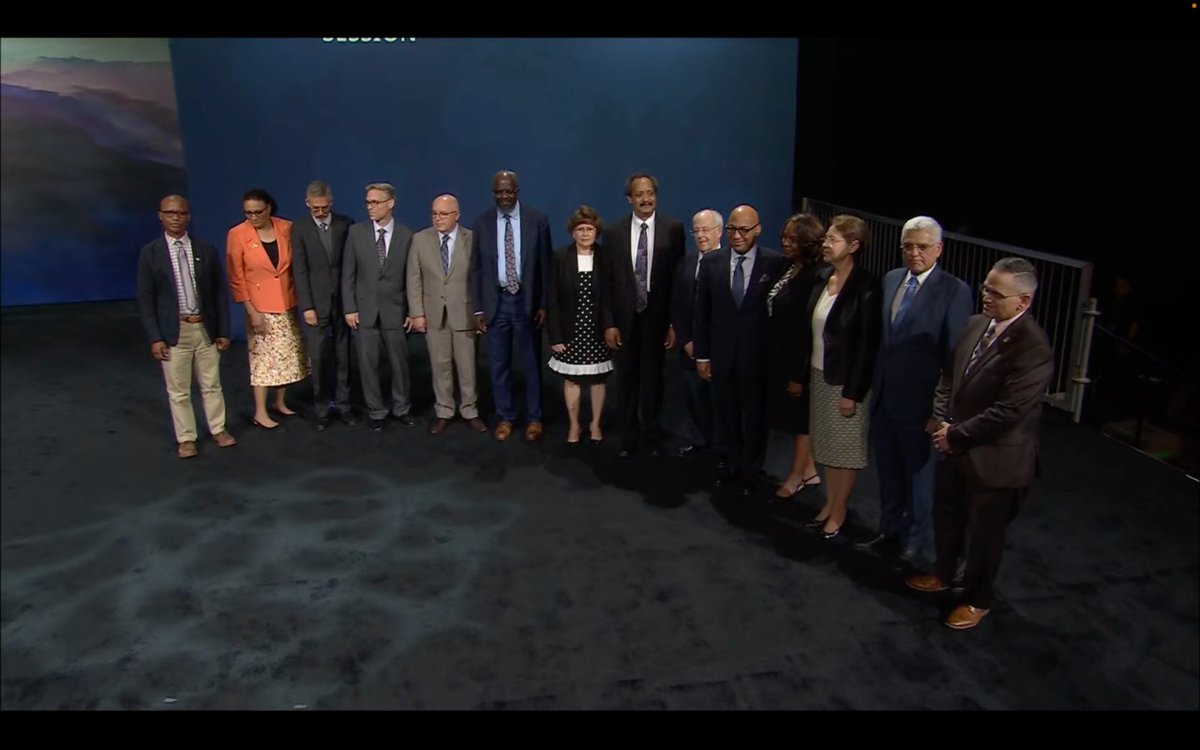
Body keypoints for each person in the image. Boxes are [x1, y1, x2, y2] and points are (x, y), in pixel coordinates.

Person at [907, 257, 1055, 630]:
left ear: (1022, 302)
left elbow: (1010, 410)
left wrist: (955, 434)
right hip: (954, 446)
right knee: (949, 518)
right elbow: (949, 377)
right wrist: (942, 422)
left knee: (985, 536)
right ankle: (944, 573)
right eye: (986, 287)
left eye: (995, 292)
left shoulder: (1032, 346)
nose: (985, 296)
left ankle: (977, 599)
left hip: (997, 461)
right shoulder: (975, 324)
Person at [856, 216, 972, 564]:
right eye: (908, 246)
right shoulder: (891, 280)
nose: (914, 253)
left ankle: (915, 542)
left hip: (922, 409)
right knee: (889, 474)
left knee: (920, 481)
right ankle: (888, 531)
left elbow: (955, 359)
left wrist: (940, 414)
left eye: (922, 246)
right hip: (885, 400)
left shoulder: (955, 291)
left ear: (938, 249)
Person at [136, 194, 237, 458]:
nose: (175, 218)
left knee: (212, 384)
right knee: (178, 390)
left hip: (204, 329)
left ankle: (218, 429)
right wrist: (154, 338)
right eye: (170, 213)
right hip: (173, 332)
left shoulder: (205, 250)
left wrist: (224, 331)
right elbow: (146, 300)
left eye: (180, 213)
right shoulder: (150, 254)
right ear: (160, 215)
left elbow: (218, 294)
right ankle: (186, 438)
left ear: (188, 217)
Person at [800, 215, 882, 538]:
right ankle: (829, 503)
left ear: (854, 246)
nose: (826, 244)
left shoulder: (867, 287)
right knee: (826, 448)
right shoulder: (823, 276)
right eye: (826, 238)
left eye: (833, 239)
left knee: (845, 452)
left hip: (846, 383)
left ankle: (840, 510)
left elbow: (866, 345)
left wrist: (853, 392)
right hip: (820, 374)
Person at [694, 205, 784, 495]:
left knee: (755, 419)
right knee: (725, 416)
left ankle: (751, 471)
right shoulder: (712, 263)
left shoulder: (774, 263)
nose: (736, 235)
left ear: (758, 229)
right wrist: (703, 355)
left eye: (743, 229)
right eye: (732, 229)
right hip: (721, 357)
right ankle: (730, 465)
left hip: (756, 359)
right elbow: (702, 313)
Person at [599, 173, 686, 458]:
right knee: (626, 380)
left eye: (650, 193)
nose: (646, 199)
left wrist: (674, 321)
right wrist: (610, 322)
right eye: (640, 194)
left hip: (657, 318)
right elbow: (607, 282)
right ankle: (629, 437)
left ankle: (650, 435)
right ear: (629, 199)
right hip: (625, 319)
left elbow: (678, 279)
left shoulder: (673, 229)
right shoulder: (613, 233)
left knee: (654, 380)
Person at [469, 170, 553, 442]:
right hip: (497, 302)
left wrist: (543, 304)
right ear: (493, 193)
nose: (503, 196)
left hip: (526, 302)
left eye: (508, 191)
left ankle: (534, 418)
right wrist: (479, 309)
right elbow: (477, 269)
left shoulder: (537, 219)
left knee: (530, 364)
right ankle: (505, 417)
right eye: (498, 192)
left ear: (517, 191)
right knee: (498, 365)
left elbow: (545, 266)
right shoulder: (482, 222)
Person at [226, 187, 309, 429]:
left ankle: (280, 403)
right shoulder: (237, 234)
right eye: (248, 213)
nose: (253, 217)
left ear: (269, 208)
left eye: (258, 212)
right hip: (259, 307)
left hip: (287, 302)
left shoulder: (286, 228)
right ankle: (260, 411)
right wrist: (251, 311)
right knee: (263, 360)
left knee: (287, 356)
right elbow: (236, 277)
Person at [406, 193, 487, 435]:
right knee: (440, 366)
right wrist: (417, 313)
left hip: (464, 313)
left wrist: (479, 313)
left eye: (443, 214)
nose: (438, 218)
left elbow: (479, 279)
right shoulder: (420, 240)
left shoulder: (472, 239)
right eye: (434, 214)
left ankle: (470, 410)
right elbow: (414, 279)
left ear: (457, 215)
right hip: (433, 315)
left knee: (467, 367)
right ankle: (444, 410)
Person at [342, 182, 416, 431]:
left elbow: (412, 277)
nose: (370, 207)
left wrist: (411, 310)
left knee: (399, 364)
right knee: (368, 364)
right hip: (365, 311)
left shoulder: (407, 235)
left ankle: (402, 407)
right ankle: (376, 412)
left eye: (375, 202)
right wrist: (350, 308)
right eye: (368, 202)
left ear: (390, 203)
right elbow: (348, 274)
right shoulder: (356, 233)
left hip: (396, 311)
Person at [766, 213, 825, 499]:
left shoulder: (816, 276)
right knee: (790, 418)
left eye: (793, 239)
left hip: (798, 361)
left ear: (808, 242)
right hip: (779, 353)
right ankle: (810, 469)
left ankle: (796, 476)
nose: (785, 243)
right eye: (784, 237)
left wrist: (797, 375)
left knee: (800, 421)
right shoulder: (789, 267)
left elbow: (807, 329)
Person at [290, 180, 356, 430]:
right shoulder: (300, 228)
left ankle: (345, 406)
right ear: (308, 204)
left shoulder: (344, 223)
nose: (320, 212)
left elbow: (350, 265)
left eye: (324, 207)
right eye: (315, 208)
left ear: (331, 202)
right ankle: (321, 409)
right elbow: (300, 268)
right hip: (315, 305)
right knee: (317, 358)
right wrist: (306, 306)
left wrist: (351, 302)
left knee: (344, 357)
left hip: (342, 302)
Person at [547, 206, 614, 445]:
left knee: (598, 379)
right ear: (572, 232)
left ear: (597, 231)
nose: (585, 233)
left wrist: (611, 327)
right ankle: (574, 425)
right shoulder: (559, 258)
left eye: (590, 229)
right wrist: (555, 336)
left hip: (597, 331)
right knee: (572, 380)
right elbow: (552, 300)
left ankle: (595, 424)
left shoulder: (606, 257)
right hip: (570, 332)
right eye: (580, 229)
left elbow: (611, 296)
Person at [672, 209, 722, 457]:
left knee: (719, 403)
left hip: (719, 349)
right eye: (697, 230)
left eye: (706, 230)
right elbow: (677, 305)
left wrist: (709, 347)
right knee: (694, 398)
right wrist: (686, 340)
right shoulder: (686, 262)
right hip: (690, 346)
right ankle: (698, 439)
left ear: (719, 232)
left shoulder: (730, 262)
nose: (701, 235)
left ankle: (722, 448)